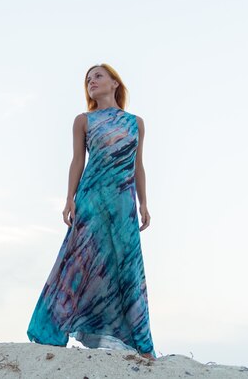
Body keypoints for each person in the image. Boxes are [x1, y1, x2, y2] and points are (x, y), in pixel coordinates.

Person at [26, 63, 157, 360]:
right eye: (87, 80)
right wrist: (69, 199)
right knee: (78, 265)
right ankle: (52, 331)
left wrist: (144, 203)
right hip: (91, 200)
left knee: (128, 268)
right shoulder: (84, 120)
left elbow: (138, 165)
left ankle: (141, 345)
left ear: (115, 83)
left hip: (124, 205)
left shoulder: (136, 122)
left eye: (98, 76)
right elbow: (77, 162)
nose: (91, 82)